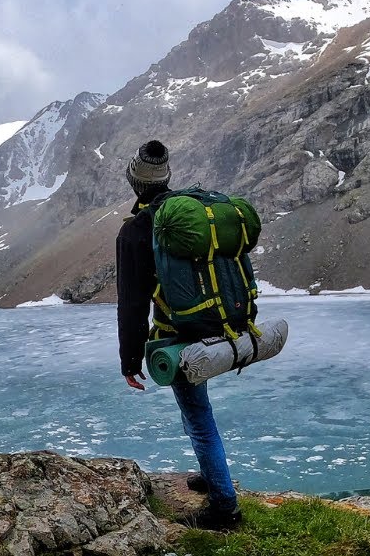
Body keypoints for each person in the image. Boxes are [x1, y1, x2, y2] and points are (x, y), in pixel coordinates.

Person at [115, 139, 242, 530]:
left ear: (133, 181)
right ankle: (211, 473)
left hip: (179, 332)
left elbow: (132, 303)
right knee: (197, 408)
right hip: (221, 321)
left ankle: (225, 507)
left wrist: (130, 360)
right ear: (168, 178)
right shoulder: (193, 214)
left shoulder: (137, 230)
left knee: (198, 415)